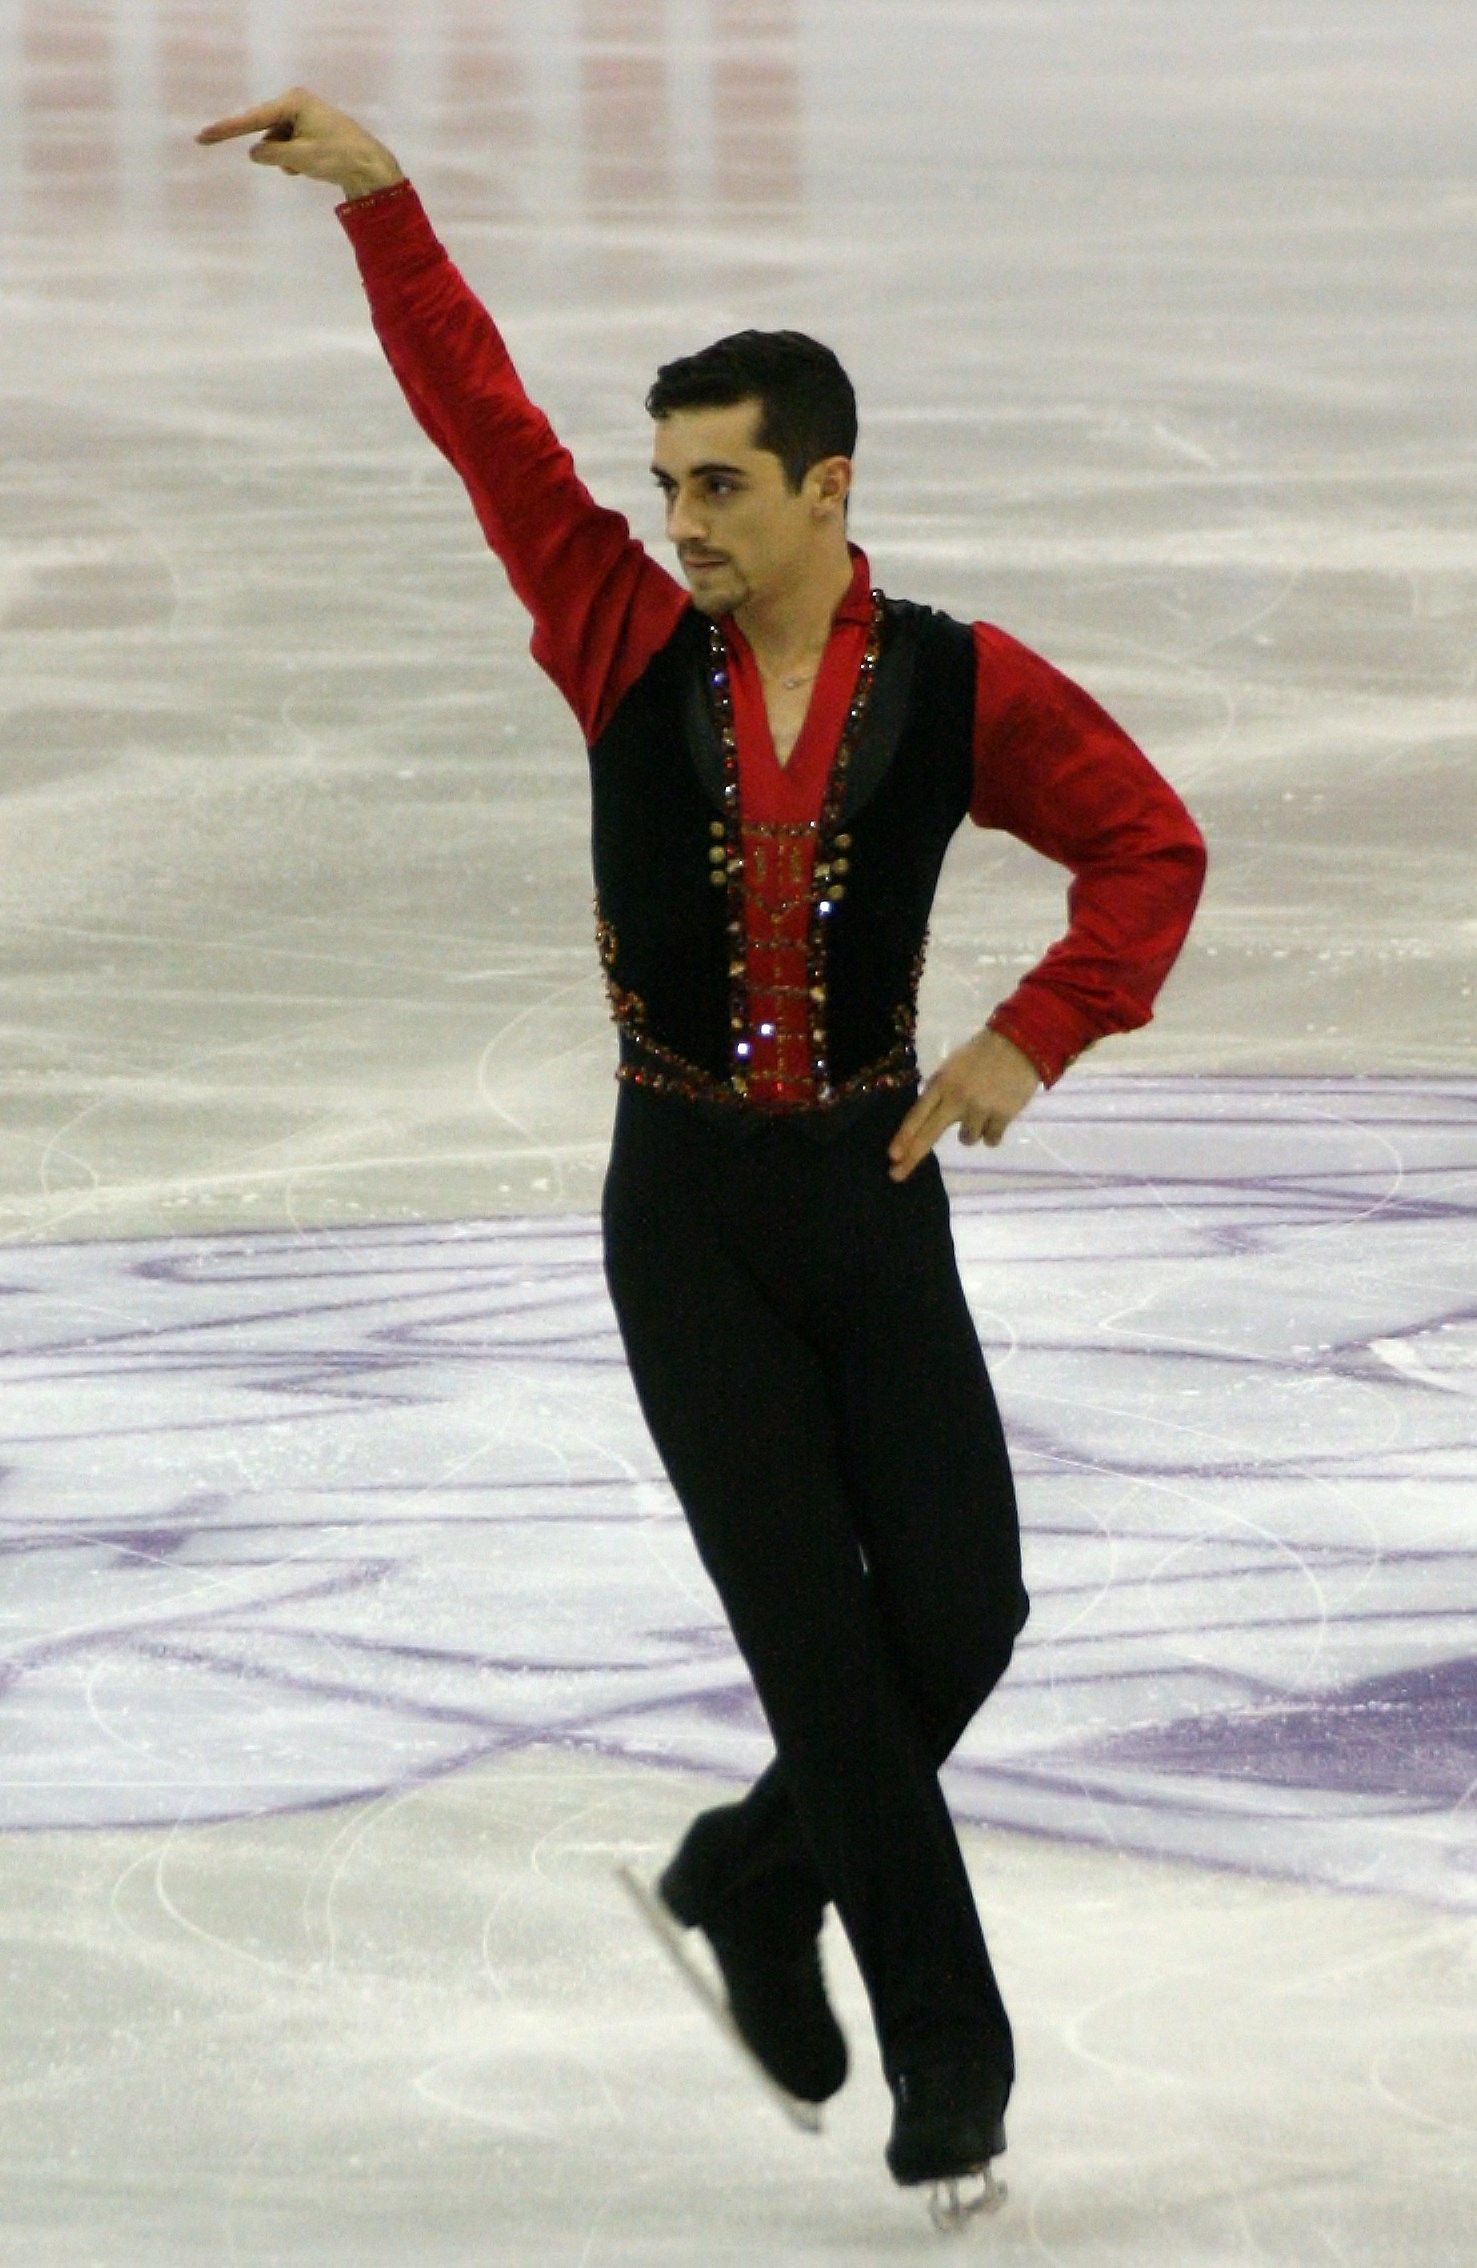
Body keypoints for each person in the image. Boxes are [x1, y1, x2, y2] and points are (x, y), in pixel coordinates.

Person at [198, 90, 1207, 2207]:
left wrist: (1036, 1033)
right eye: (667, 483)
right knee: (825, 1656)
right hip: (687, 1219)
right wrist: (387, 210)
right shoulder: (616, 636)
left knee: (969, 1607)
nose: (683, 520)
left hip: (871, 1188)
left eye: (723, 485)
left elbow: (1146, 843)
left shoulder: (951, 684)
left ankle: (752, 1878)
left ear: (831, 486)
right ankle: (951, 2067)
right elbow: (485, 434)